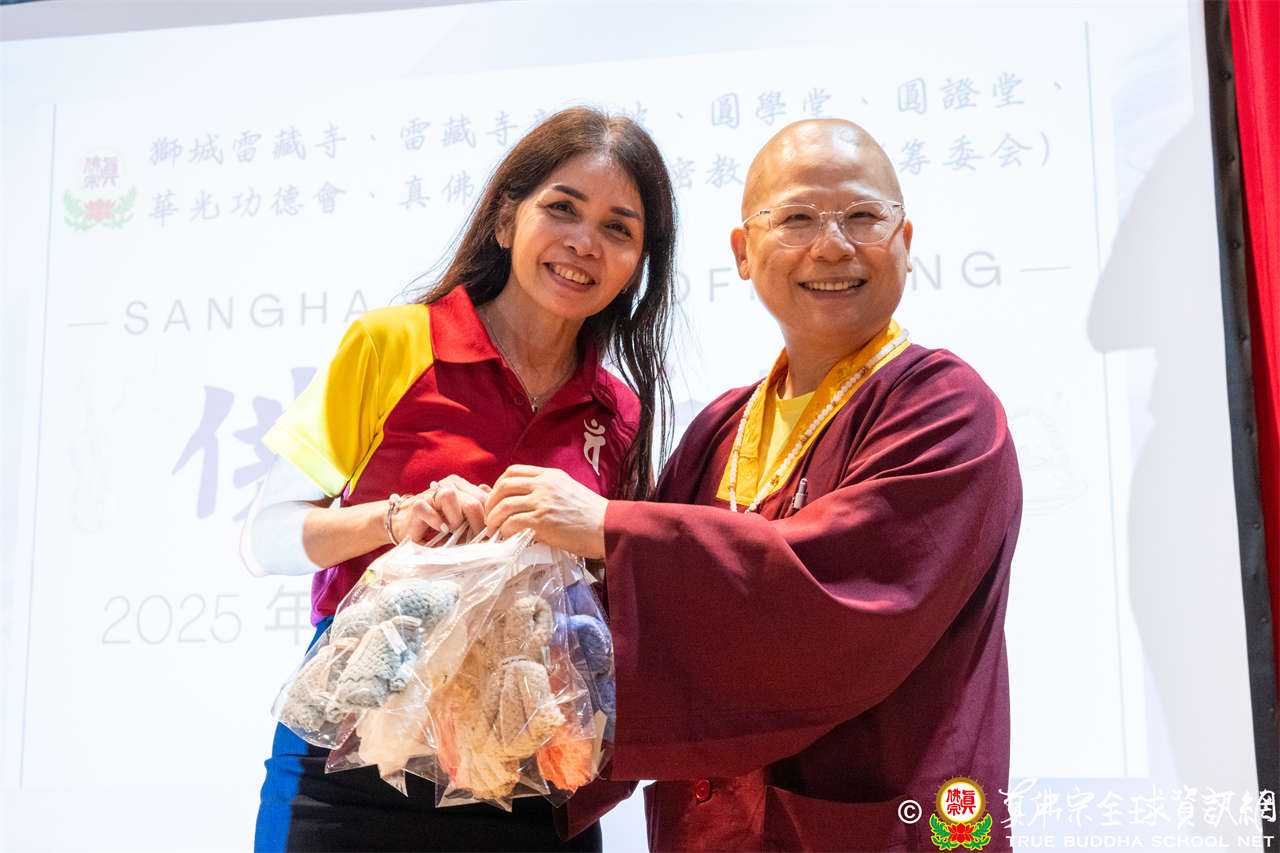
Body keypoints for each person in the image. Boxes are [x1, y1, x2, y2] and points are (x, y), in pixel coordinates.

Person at [483, 118, 1023, 852]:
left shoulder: (944, 408)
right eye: (796, 218)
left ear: (904, 238)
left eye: (862, 216)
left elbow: (833, 597)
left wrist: (611, 527)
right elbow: (625, 625)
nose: (831, 245)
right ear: (742, 251)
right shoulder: (720, 428)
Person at [240, 107, 677, 852]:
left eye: (618, 228)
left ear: (639, 261)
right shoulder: (392, 344)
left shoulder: (621, 412)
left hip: (533, 776)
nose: (583, 243)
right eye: (562, 209)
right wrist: (396, 518)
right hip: (357, 760)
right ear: (506, 220)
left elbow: (621, 605)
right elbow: (266, 537)